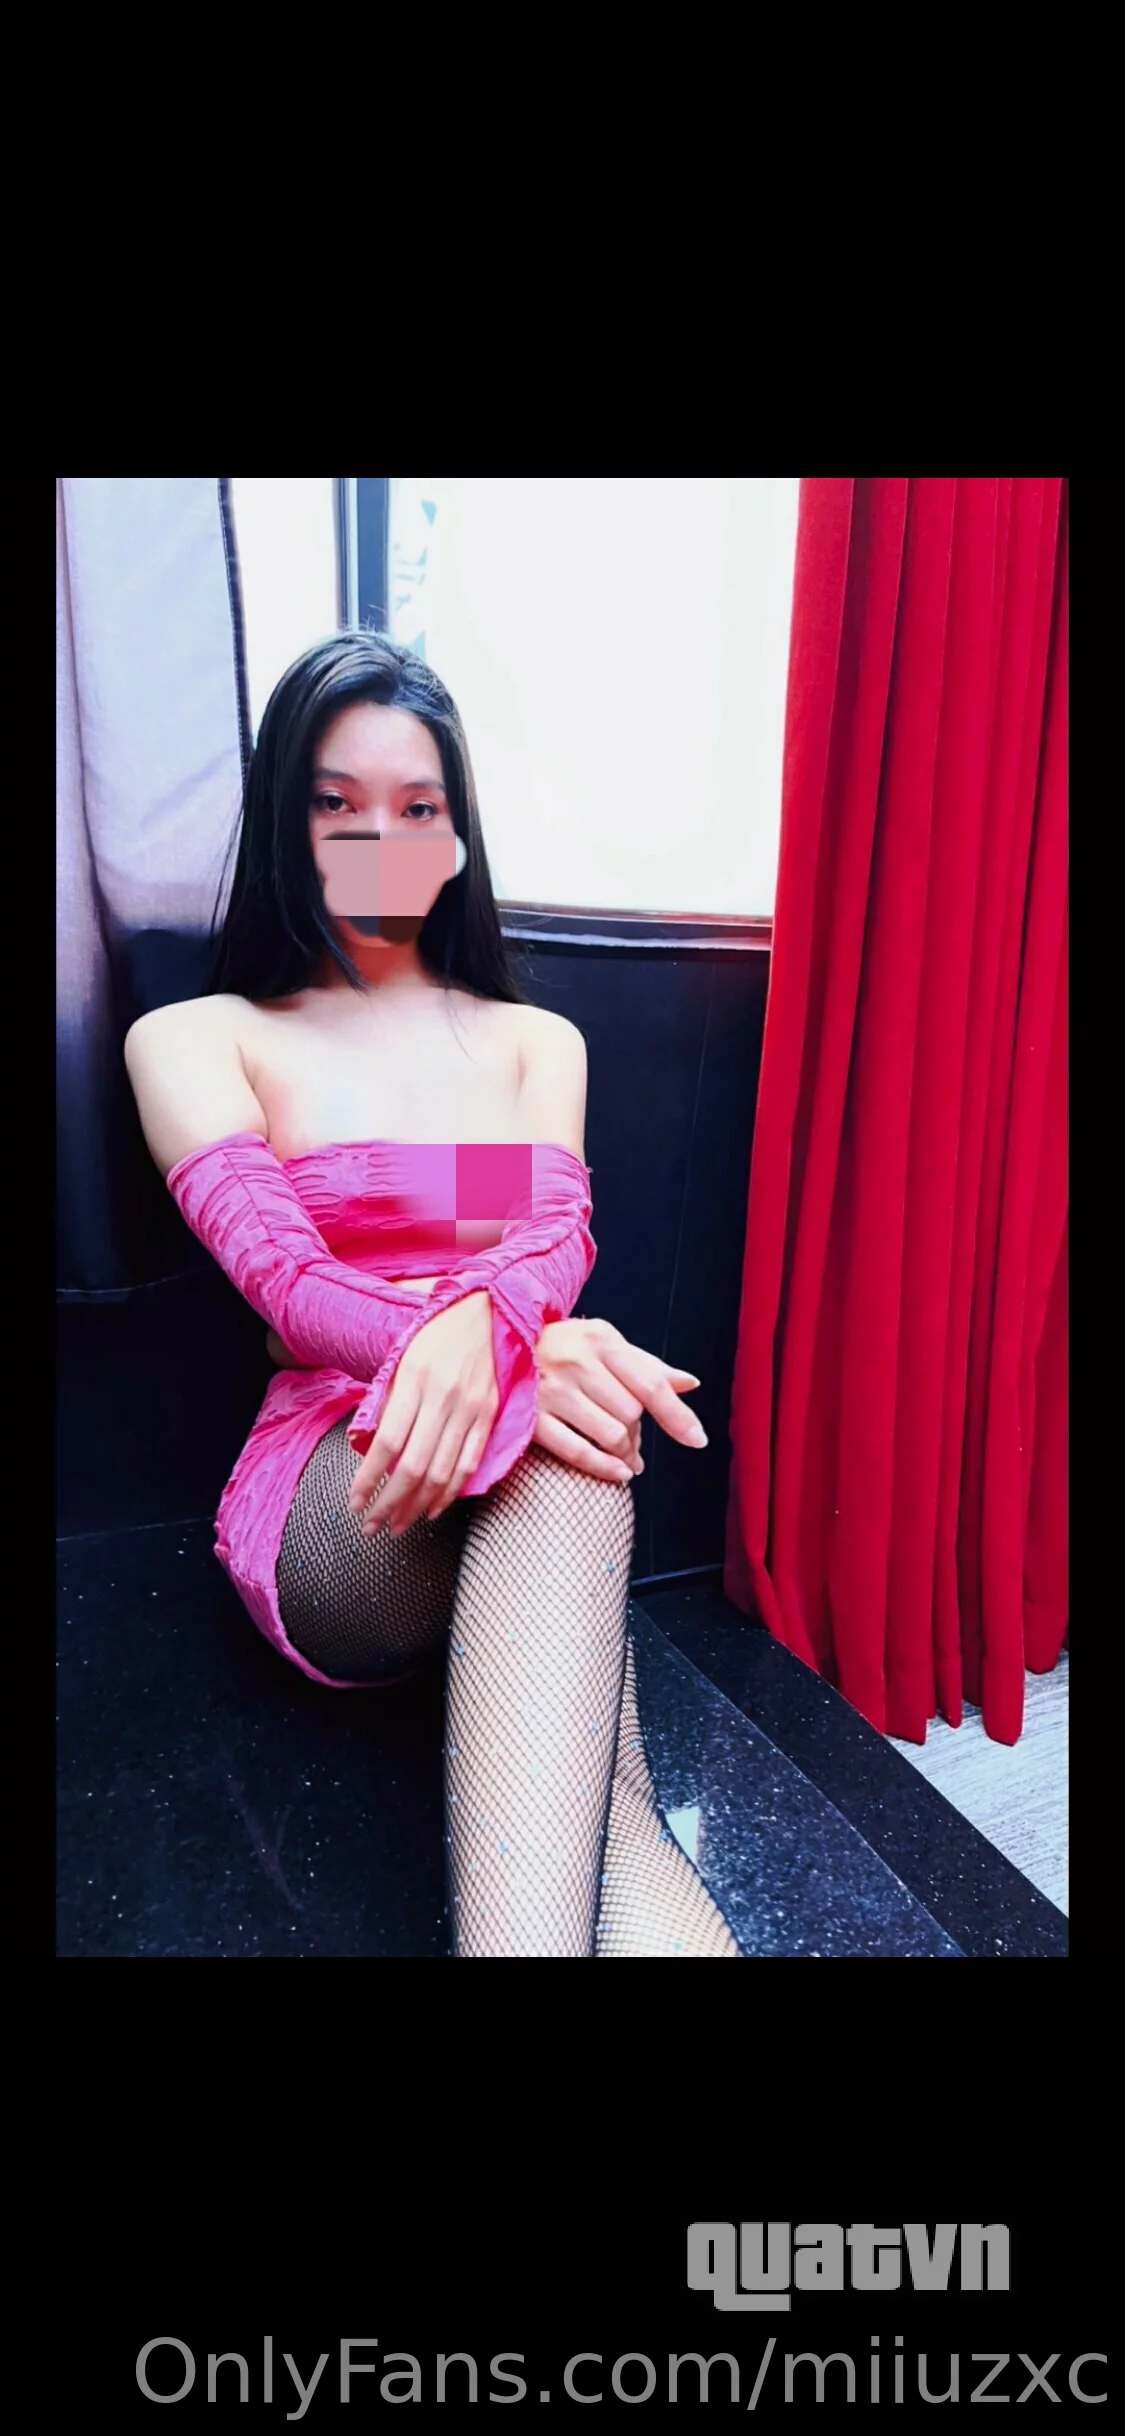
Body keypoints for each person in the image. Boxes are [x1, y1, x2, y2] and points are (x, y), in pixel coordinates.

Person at [124, 630, 742, 1958]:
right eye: (336, 805)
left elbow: (554, 1240)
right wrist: (490, 1343)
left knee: (608, 1793)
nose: (379, 840)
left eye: (417, 809)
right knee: (566, 1440)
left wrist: (495, 1337)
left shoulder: (533, 1041)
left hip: (524, 1465)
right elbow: (289, 1288)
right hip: (345, 1492)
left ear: (458, 840)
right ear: (286, 826)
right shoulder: (203, 1036)